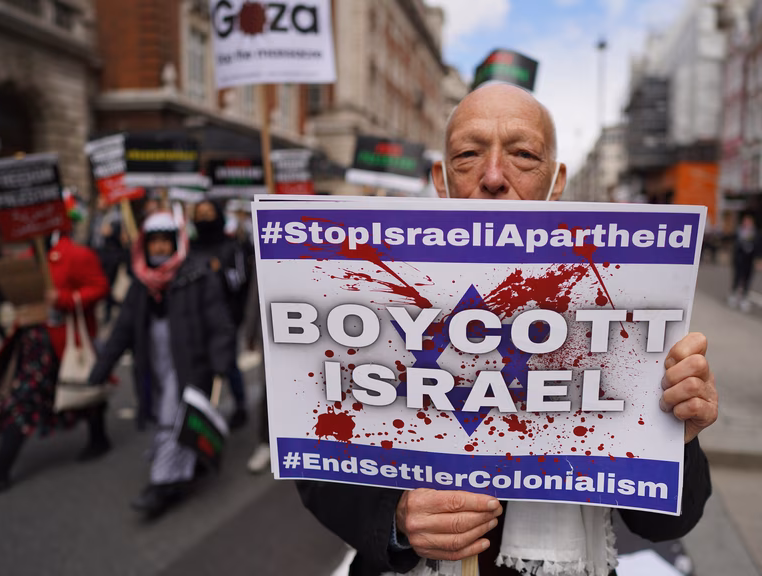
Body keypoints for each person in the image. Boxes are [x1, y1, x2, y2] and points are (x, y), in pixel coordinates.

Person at [296, 83, 718, 576]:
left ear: (556, 180)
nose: (494, 177)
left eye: (522, 154)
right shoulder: (366, 289)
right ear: (440, 176)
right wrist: (395, 521)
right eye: (469, 154)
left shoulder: (616, 307)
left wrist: (676, 439)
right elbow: (317, 464)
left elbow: (663, 525)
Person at [88, 212, 235, 518]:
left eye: (165, 241)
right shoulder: (141, 283)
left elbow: (219, 323)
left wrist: (221, 362)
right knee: (162, 415)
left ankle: (164, 483)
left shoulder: (198, 275)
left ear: (176, 243)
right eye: (153, 242)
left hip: (189, 364)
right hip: (153, 363)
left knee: (172, 419)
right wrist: (102, 367)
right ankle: (185, 465)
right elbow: (123, 329)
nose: (158, 248)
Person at [0, 217, 111, 492]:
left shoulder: (76, 255)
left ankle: (99, 438)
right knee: (25, 398)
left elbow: (99, 287)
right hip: (34, 342)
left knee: (80, 386)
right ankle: (1, 469)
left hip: (64, 340)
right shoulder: (27, 258)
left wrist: (65, 299)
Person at [190, 200, 251, 430]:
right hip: (197, 316)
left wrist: (220, 273)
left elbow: (239, 280)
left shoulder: (231, 247)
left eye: (209, 213)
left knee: (228, 362)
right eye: (200, 213)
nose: (204, 218)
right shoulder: (191, 248)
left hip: (225, 316)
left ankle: (240, 405)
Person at [728, 213, 759, 312]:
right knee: (737, 277)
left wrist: (759, 259)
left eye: (748, 221)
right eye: (745, 221)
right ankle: (733, 295)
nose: (747, 223)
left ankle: (744, 298)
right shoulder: (739, 231)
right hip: (739, 259)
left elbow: (759, 247)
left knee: (747, 279)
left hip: (750, 260)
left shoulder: (756, 233)